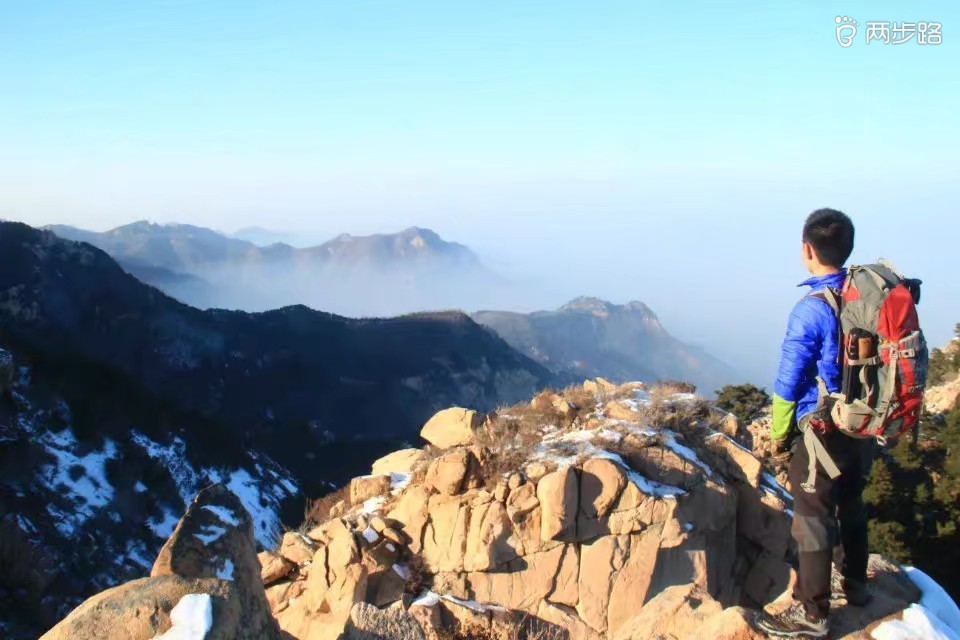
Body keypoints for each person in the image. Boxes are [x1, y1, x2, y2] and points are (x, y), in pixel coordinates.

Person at [756, 209, 873, 639]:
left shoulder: (812, 309)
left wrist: (781, 432)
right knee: (852, 501)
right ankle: (857, 585)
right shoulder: (866, 297)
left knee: (812, 515)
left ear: (808, 249)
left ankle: (813, 613)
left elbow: (788, 382)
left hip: (823, 428)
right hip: (864, 423)